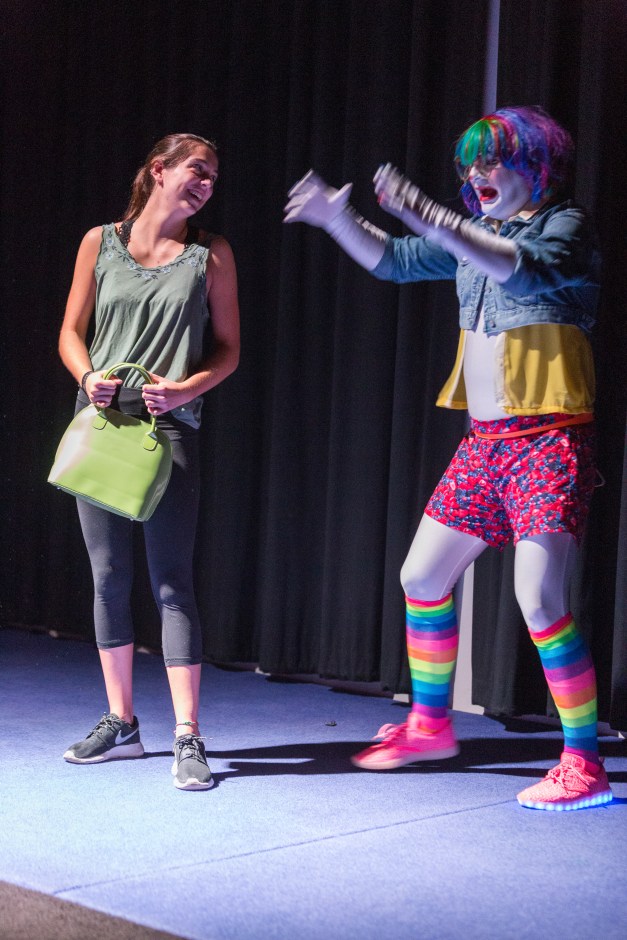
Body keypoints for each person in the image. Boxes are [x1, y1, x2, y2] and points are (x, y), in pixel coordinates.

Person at [284, 105, 613, 811]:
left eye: (491, 161)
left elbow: (524, 274)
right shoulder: (474, 236)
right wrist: (338, 219)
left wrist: (436, 219)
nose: (476, 174)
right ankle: (429, 726)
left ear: (535, 167)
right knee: (422, 576)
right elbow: (396, 261)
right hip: (484, 445)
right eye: (470, 165)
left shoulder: (565, 226)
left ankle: (583, 765)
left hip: (549, 439)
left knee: (540, 600)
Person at [58, 133, 240, 790]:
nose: (206, 184)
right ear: (158, 170)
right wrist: (88, 378)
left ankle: (187, 734)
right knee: (108, 577)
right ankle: (123, 723)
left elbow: (229, 349)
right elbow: (70, 332)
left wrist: (187, 388)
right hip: (104, 426)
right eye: (197, 170)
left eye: (213, 177)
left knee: (171, 583)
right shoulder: (99, 242)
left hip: (170, 430)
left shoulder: (210, 254)